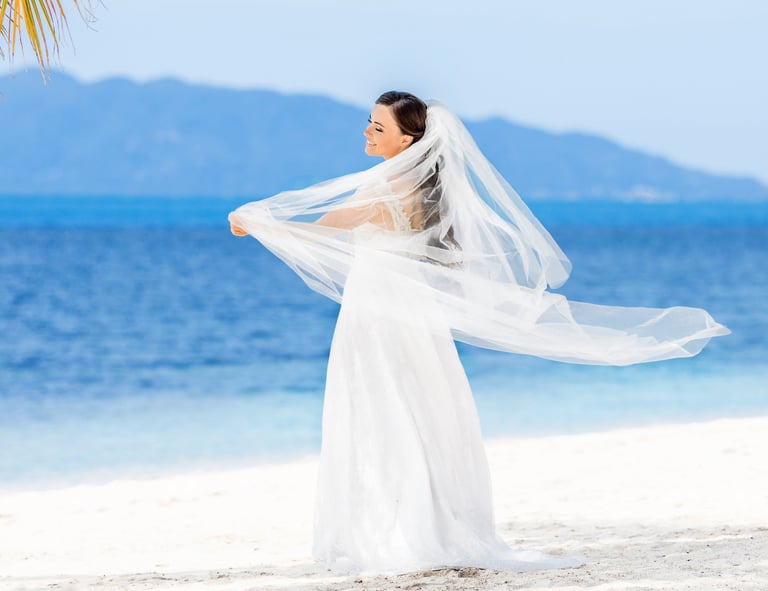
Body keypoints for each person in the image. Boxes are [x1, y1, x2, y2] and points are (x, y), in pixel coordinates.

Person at [228, 91, 729, 573]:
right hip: (404, 307)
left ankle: (400, 530)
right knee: (415, 409)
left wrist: (258, 225)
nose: (367, 131)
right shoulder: (424, 189)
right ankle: (419, 521)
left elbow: (326, 226)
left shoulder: (388, 188)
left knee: (382, 408)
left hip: (380, 308)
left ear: (406, 141)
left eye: (379, 127)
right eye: (369, 122)